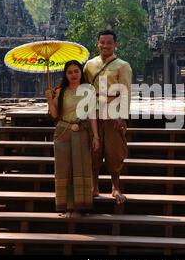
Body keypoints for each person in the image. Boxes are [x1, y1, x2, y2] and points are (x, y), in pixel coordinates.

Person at [45, 60, 100, 218]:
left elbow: (92, 115)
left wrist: (96, 136)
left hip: (82, 132)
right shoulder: (59, 91)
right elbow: (55, 115)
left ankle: (79, 207)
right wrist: (50, 99)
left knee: (81, 167)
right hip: (63, 132)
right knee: (64, 169)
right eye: (69, 72)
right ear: (65, 74)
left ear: (81, 72)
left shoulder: (88, 89)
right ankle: (66, 207)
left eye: (76, 71)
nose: (73, 75)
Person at [83, 30, 133, 205]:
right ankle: (94, 186)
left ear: (115, 45)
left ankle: (115, 186)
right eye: (102, 42)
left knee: (114, 151)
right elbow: (83, 88)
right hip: (94, 112)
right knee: (93, 150)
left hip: (113, 111)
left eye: (109, 43)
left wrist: (122, 116)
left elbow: (126, 91)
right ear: (97, 43)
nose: (105, 46)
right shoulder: (89, 65)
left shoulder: (122, 65)